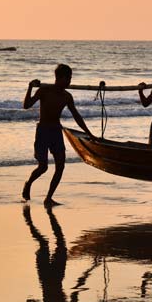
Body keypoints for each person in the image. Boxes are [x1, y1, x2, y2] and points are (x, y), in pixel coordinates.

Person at [22, 63, 95, 207]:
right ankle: (28, 183)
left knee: (60, 166)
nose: (69, 82)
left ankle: (48, 198)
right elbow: (26, 105)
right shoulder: (44, 90)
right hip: (43, 131)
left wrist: (89, 133)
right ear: (60, 78)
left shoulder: (67, 96)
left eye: (70, 79)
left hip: (56, 131)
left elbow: (76, 116)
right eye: (68, 79)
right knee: (43, 167)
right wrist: (30, 87)